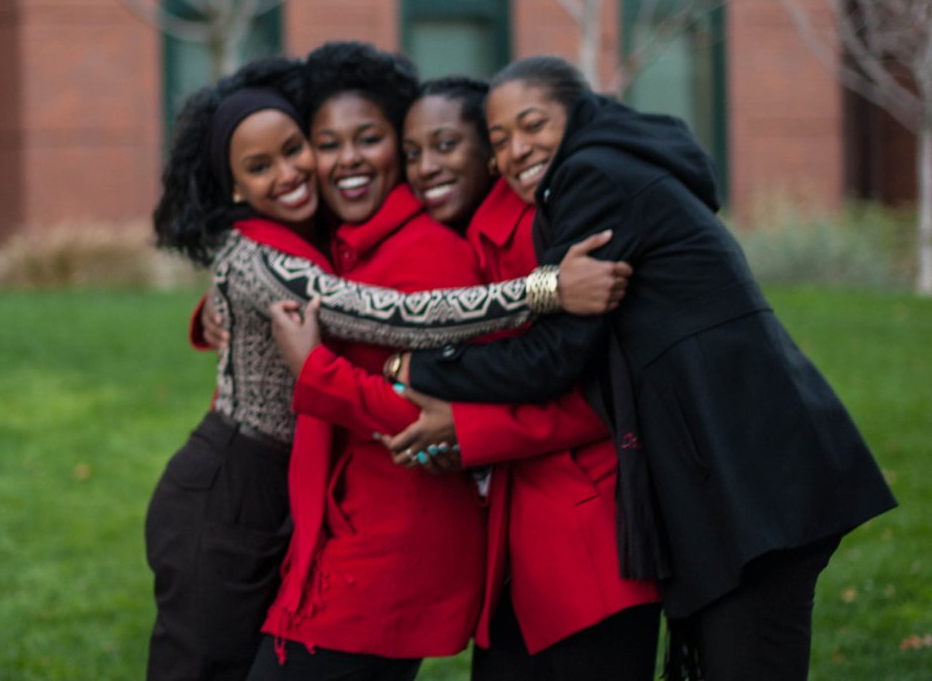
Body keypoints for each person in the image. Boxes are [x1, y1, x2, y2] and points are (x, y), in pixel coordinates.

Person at [386, 55, 898, 681]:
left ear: (577, 113)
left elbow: (553, 358)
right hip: (726, 480)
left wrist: (419, 369)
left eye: (533, 125)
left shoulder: (592, 177)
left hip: (756, 479)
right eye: (501, 140)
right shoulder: (611, 168)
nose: (517, 150)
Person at [146, 56, 623, 681]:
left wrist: (547, 288)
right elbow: (281, 275)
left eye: (369, 139)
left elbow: (412, 342)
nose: (340, 160)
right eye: (325, 144)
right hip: (298, 519)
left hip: (383, 548)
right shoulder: (339, 238)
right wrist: (219, 309)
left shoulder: (424, 250)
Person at [270, 75, 661, 680]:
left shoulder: (543, 231)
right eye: (414, 152)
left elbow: (597, 396)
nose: (426, 168)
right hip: (515, 546)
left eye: (448, 146)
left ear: (487, 154)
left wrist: (461, 426)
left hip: (584, 540)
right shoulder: (465, 236)